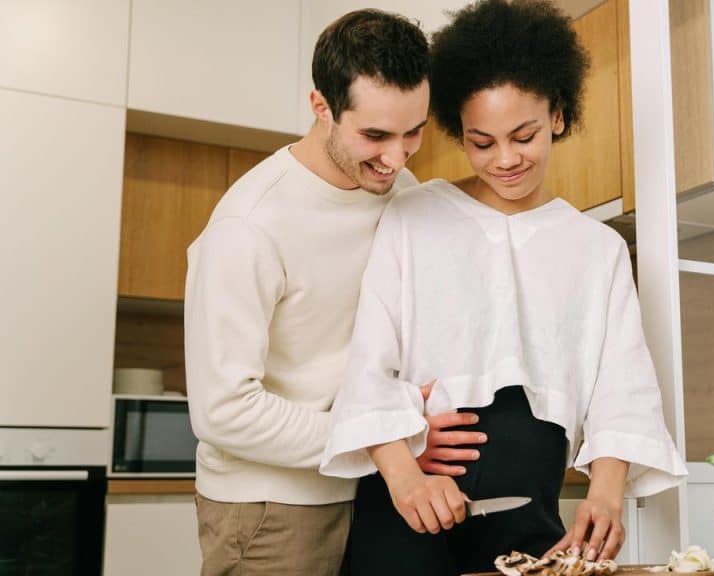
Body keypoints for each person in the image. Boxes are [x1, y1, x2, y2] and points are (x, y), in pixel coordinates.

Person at [320, 1, 687, 574]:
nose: (506, 159)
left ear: (558, 116)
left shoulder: (597, 249)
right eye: (482, 142)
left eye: (524, 135)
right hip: (408, 511)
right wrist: (404, 477)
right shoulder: (413, 217)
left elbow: (623, 388)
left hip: (531, 519)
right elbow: (367, 370)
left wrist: (606, 494)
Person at [184, 10, 483, 575]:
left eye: (413, 131)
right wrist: (388, 438)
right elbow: (223, 411)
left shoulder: (398, 187)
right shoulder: (249, 227)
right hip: (273, 507)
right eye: (375, 135)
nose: (397, 157)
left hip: (369, 492)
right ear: (321, 106)